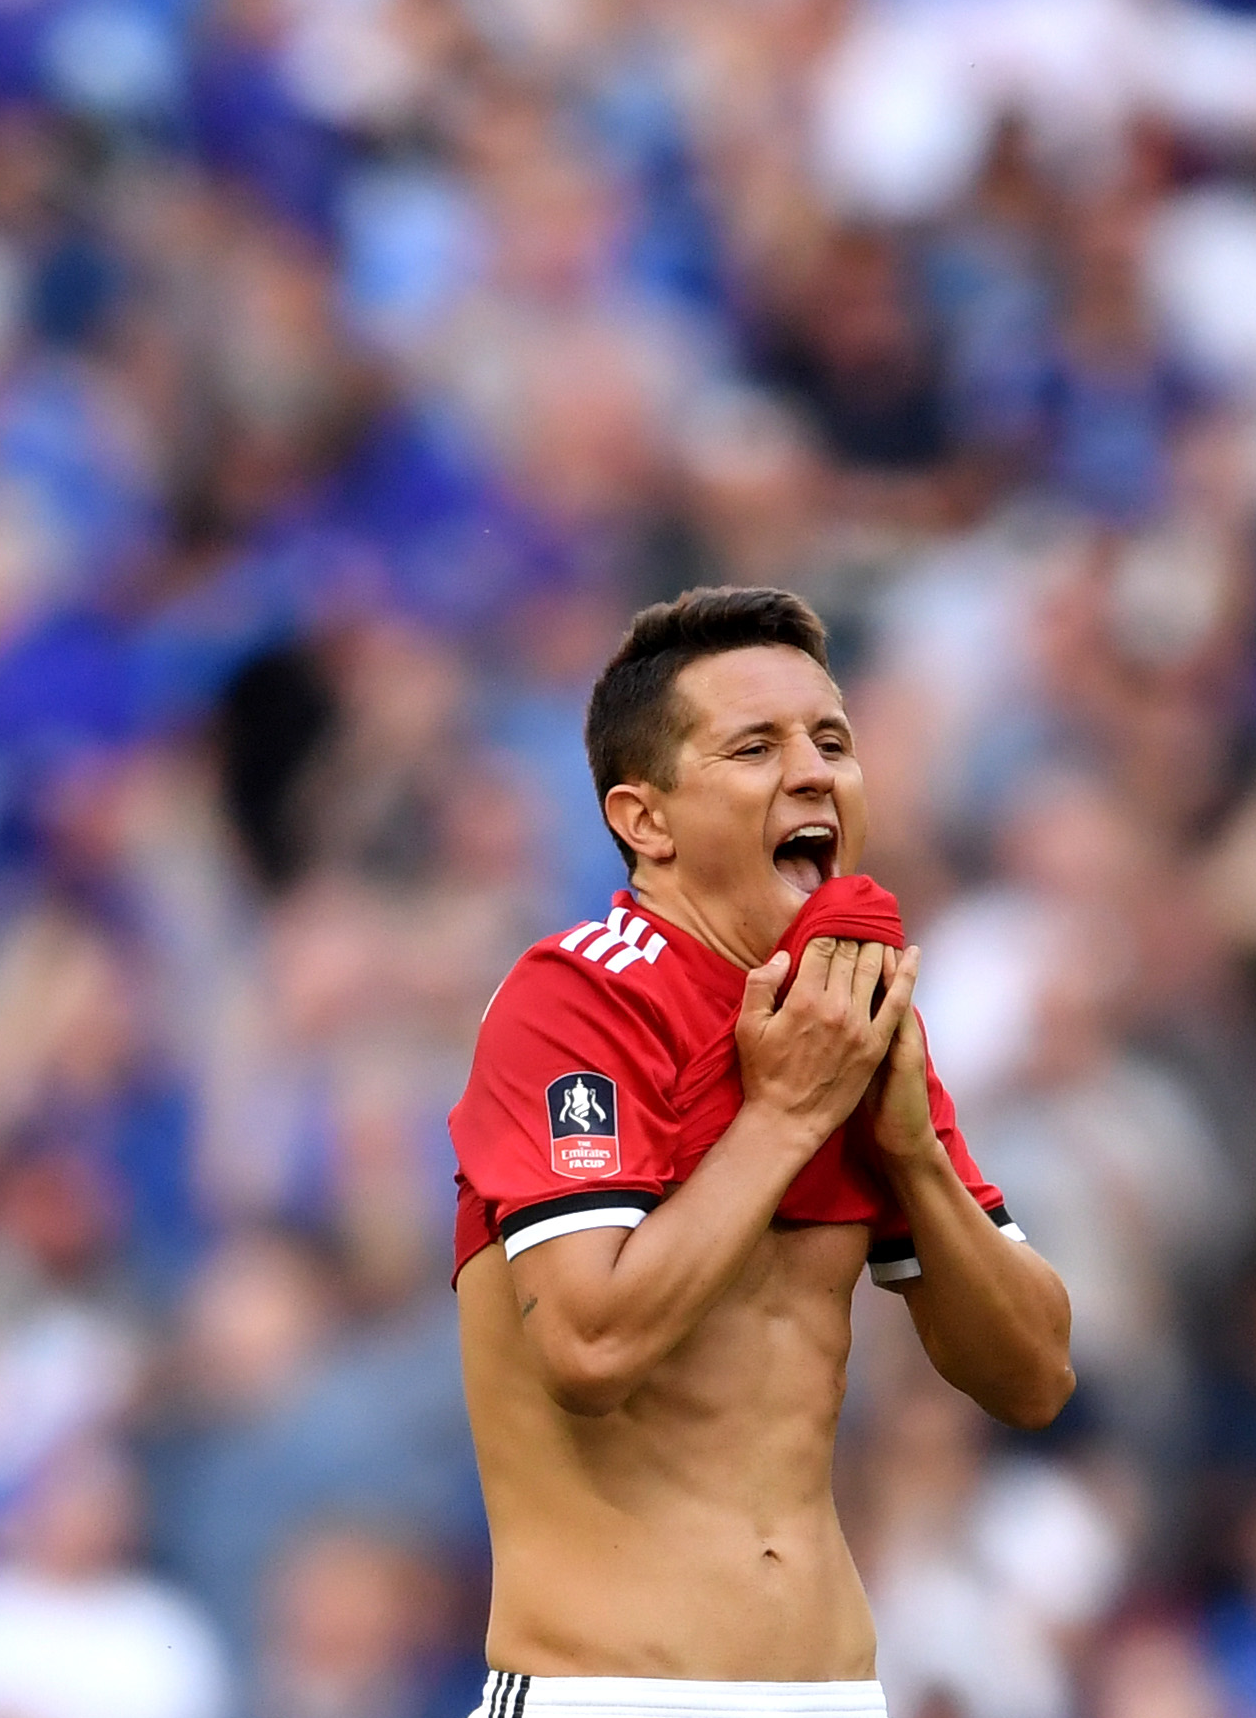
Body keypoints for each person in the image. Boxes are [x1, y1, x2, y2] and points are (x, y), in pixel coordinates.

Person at [445, 587, 1075, 1718]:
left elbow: (1032, 1376)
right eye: (755, 746)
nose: (813, 771)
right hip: (611, 1693)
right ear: (645, 819)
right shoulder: (574, 1001)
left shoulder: (847, 1016)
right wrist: (784, 1119)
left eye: (831, 740)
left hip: (833, 1691)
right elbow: (587, 1347)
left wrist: (916, 1159)